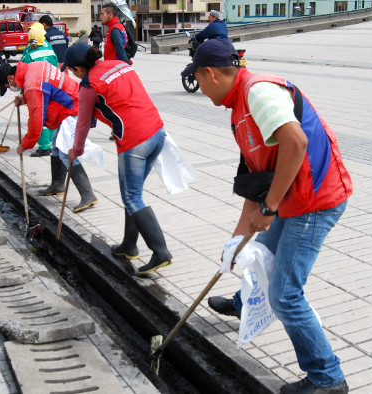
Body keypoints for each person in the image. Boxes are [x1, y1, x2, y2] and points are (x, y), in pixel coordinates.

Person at [183, 39, 352, 394]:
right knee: (261, 253)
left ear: (209, 73)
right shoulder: (239, 108)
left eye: (197, 80)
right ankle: (243, 304)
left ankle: (327, 378)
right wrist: (235, 241)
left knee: (286, 295)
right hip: (292, 197)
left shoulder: (258, 93)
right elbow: (254, 182)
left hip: (315, 199)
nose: (198, 88)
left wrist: (270, 208)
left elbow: (296, 143)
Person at [64, 43, 173, 275]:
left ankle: (161, 251)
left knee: (132, 197)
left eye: (72, 70)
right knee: (134, 195)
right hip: (157, 131)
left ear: (78, 69)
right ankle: (129, 245)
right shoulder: (119, 65)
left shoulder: (88, 85)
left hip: (135, 140)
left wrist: (76, 150)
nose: (73, 74)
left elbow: (82, 124)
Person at [0, 62, 98, 213]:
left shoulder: (32, 86)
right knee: (56, 145)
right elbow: (45, 89)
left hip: (72, 108)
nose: (10, 89)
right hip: (72, 101)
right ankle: (57, 185)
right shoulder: (32, 68)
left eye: (8, 86)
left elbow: (36, 123)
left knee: (65, 152)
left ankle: (88, 195)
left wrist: (25, 144)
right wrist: (25, 98)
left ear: (10, 78)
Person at [21, 26, 58, 157]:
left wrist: (23, 94)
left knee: (39, 118)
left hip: (37, 91)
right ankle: (53, 145)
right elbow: (56, 69)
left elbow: (23, 76)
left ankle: (44, 147)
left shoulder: (29, 55)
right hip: (52, 89)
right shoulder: (50, 51)